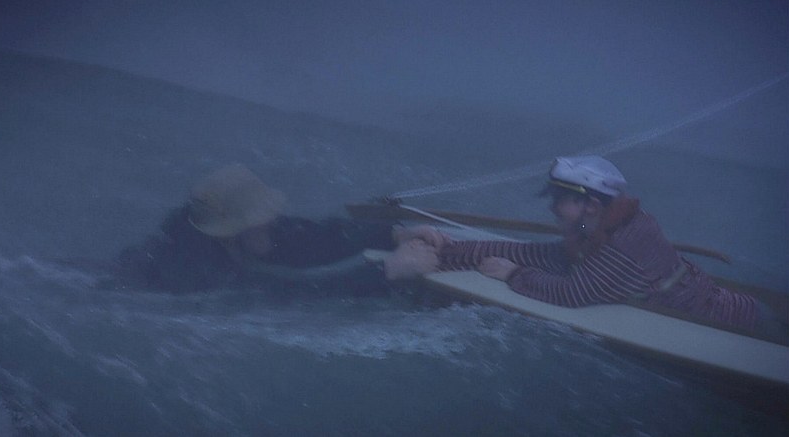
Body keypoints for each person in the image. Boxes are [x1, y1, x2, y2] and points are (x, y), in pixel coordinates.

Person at [387, 155, 777, 333]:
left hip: (741, 324)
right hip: (730, 306)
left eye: (560, 200)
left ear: (590, 205)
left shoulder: (620, 247)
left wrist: (512, 274)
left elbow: (570, 294)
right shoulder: (606, 225)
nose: (552, 207)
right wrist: (449, 247)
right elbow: (541, 254)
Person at [111, 164, 400, 295]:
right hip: (124, 289)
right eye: (259, 219)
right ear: (229, 233)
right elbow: (297, 292)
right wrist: (388, 271)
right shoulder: (202, 271)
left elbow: (312, 235)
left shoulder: (250, 235)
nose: (271, 221)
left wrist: (391, 233)